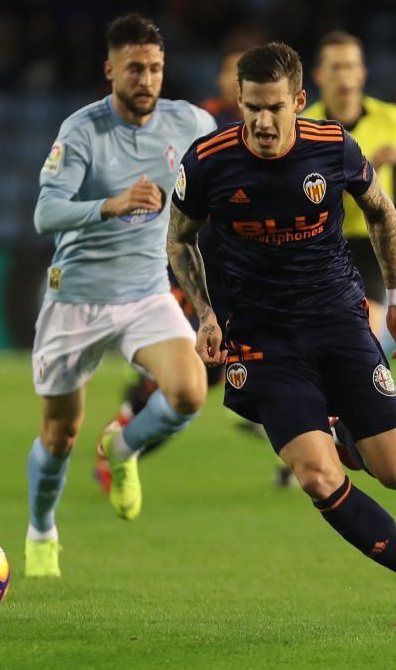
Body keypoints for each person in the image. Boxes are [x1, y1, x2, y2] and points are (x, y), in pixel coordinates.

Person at [166, 42, 396, 626]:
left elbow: (381, 211)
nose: (261, 121)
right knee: (315, 474)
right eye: (250, 107)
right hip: (260, 339)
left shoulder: (333, 147)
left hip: (336, 320)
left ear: (300, 102)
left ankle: (341, 427)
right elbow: (178, 239)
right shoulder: (208, 160)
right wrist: (205, 312)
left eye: (275, 107)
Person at [25, 13, 216, 578]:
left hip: (146, 293)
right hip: (76, 298)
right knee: (59, 437)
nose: (147, 79)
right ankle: (41, 530)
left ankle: (125, 448)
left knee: (188, 391)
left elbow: (227, 176)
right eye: (135, 67)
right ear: (110, 70)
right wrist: (109, 204)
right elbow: (45, 213)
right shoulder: (82, 131)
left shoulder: (191, 123)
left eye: (156, 68)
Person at [92, 48, 247, 495]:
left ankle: (128, 428)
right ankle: (126, 429)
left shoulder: (269, 132)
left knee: (212, 374)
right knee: (189, 375)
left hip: (235, 276)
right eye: (229, 72)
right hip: (185, 264)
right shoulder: (196, 125)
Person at [302, 30, 396, 338]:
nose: (345, 75)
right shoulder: (305, 127)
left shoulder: (388, 118)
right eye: (336, 67)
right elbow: (304, 191)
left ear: (363, 72)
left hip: (371, 241)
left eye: (351, 66)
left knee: (364, 336)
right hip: (320, 242)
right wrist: (366, 167)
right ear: (318, 75)